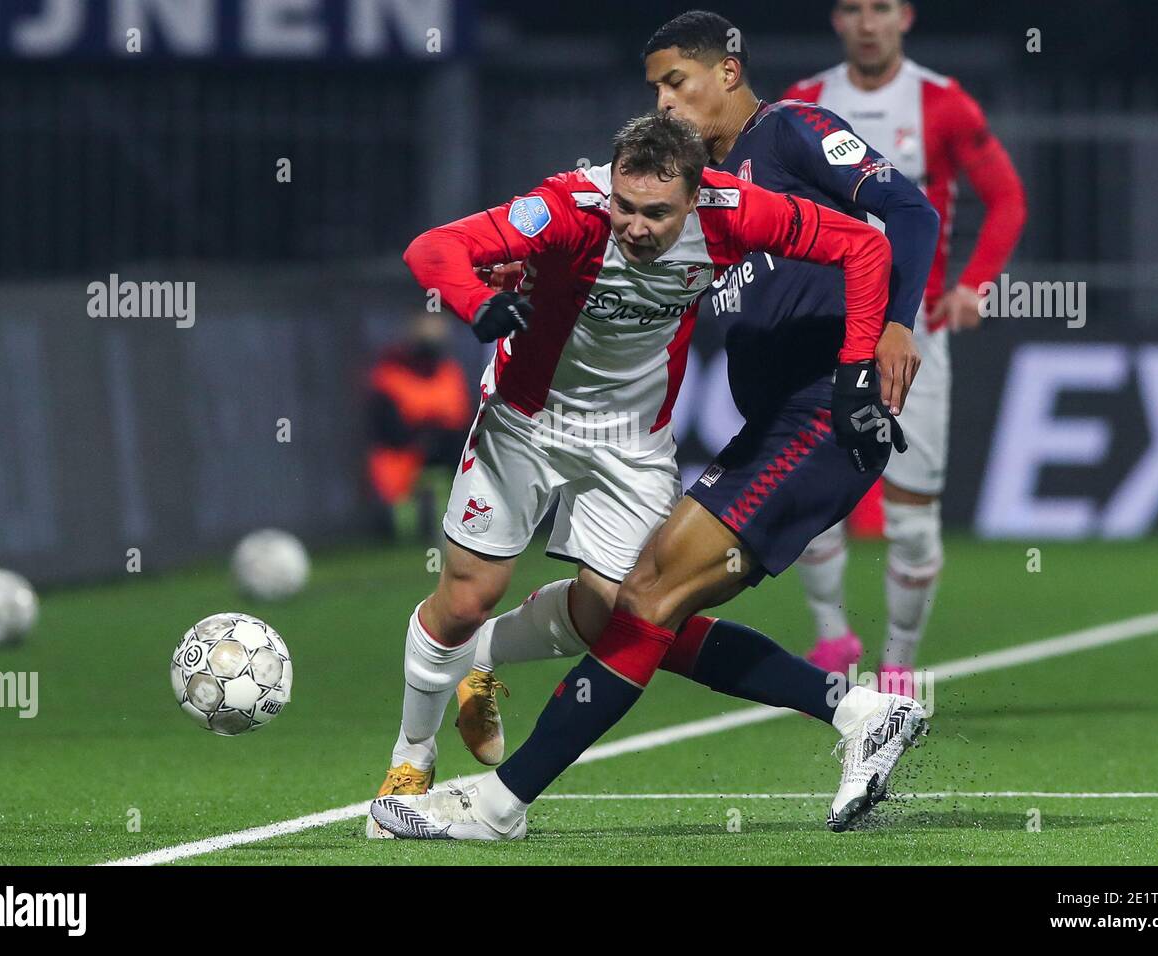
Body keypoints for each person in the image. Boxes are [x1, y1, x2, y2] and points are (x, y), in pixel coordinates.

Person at [369, 12, 940, 841]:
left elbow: (889, 227)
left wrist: (881, 338)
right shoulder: (624, 195)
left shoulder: (773, 156)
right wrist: (501, 284)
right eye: (654, 90)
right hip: (711, 419)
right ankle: (857, 712)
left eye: (677, 81)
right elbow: (452, 249)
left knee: (648, 601)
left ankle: (498, 803)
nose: (666, 101)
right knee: (635, 610)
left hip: (810, 412)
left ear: (730, 72)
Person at [786, 0, 1027, 691]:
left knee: (913, 519)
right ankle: (833, 641)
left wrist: (974, 287)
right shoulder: (803, 104)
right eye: (854, 9)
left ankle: (898, 665)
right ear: (836, 20)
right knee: (809, 501)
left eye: (881, 8)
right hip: (824, 331)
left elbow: (1006, 198)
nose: (868, 23)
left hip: (912, 332)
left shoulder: (941, 104)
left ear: (906, 18)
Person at [362, 310, 472, 542]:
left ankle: (454, 526)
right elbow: (389, 430)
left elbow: (460, 421)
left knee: (458, 455)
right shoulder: (390, 375)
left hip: (443, 451)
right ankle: (404, 534)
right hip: (402, 455)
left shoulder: (448, 372)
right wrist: (424, 435)